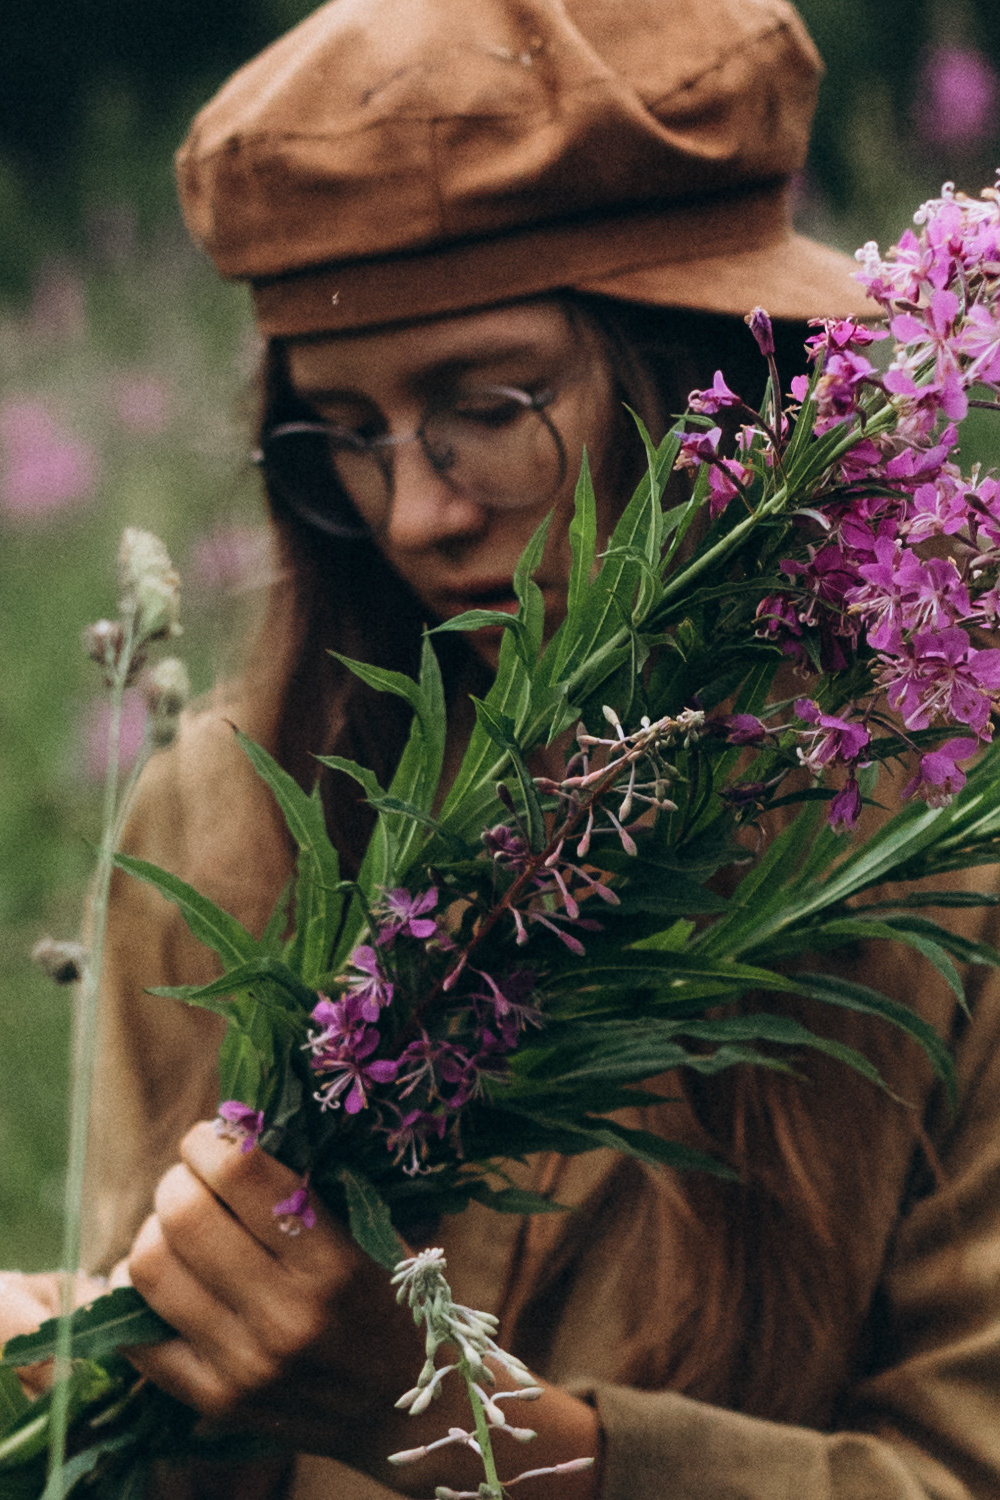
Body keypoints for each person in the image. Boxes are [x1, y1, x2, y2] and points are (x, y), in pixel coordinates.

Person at [6, 1, 1000, 1497]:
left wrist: (452, 1428)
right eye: (342, 428)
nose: (413, 513)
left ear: (700, 384)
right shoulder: (221, 815)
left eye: (488, 407)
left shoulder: (938, 858)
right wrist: (98, 1359)